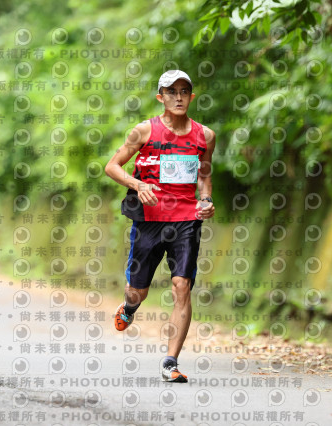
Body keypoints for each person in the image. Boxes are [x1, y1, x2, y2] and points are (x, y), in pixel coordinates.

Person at [104, 70, 216, 382]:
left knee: (182, 286)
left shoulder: (206, 136)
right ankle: (129, 307)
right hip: (149, 220)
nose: (178, 97)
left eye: (184, 91)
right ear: (160, 97)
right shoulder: (144, 131)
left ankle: (170, 362)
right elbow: (112, 166)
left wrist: (206, 200)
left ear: (192, 96)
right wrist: (138, 185)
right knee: (137, 292)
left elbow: (205, 174)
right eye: (171, 92)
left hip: (187, 220)